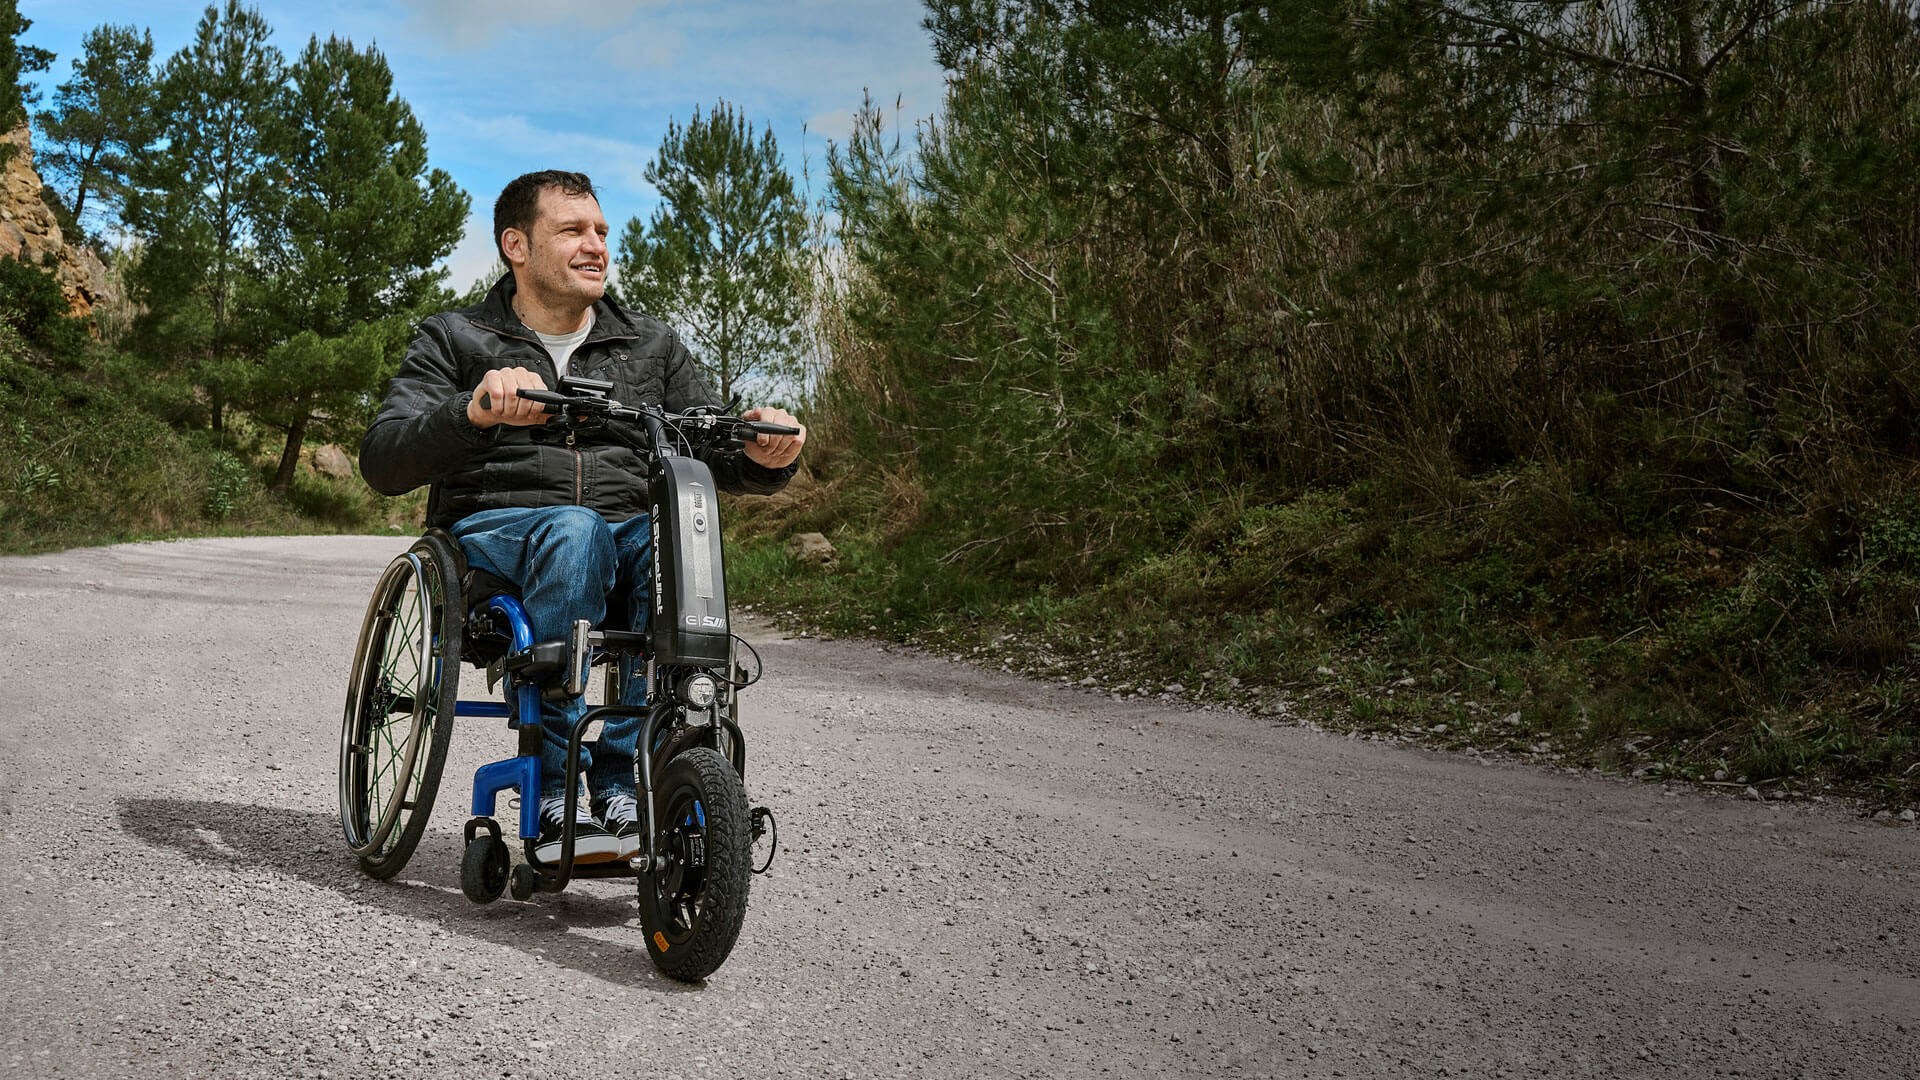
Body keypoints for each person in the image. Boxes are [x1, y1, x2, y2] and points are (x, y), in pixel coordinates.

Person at [360, 170, 805, 865]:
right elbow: (384, 458)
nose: (596, 245)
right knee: (577, 529)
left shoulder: (650, 345)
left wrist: (768, 452)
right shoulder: (457, 337)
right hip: (495, 536)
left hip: (620, 535)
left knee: (674, 534)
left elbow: (713, 441)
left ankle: (625, 779)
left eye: (600, 231)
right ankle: (557, 783)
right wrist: (472, 411)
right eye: (572, 231)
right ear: (517, 244)